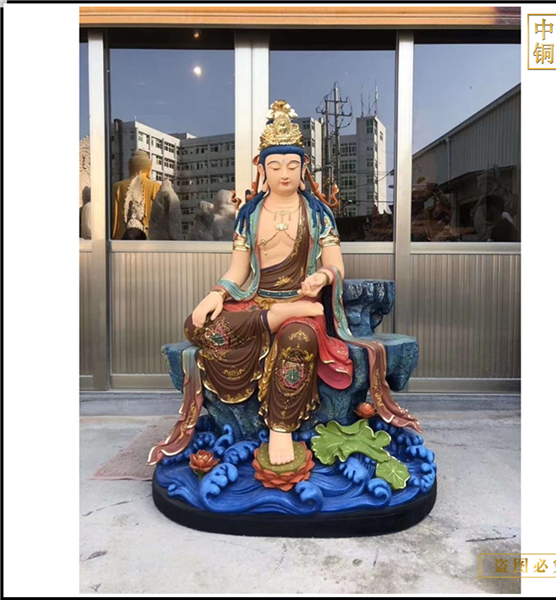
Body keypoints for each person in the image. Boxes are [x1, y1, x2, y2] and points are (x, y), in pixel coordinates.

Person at [147, 101, 422, 468]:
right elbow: (238, 271)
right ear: (262, 169)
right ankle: (274, 317)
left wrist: (322, 276)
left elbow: (336, 264)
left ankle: (281, 427)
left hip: (303, 304)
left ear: (304, 169)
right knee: (196, 326)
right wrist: (216, 294)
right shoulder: (250, 214)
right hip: (258, 301)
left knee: (299, 339)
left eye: (292, 165)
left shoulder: (317, 213)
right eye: (275, 166)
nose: (284, 174)